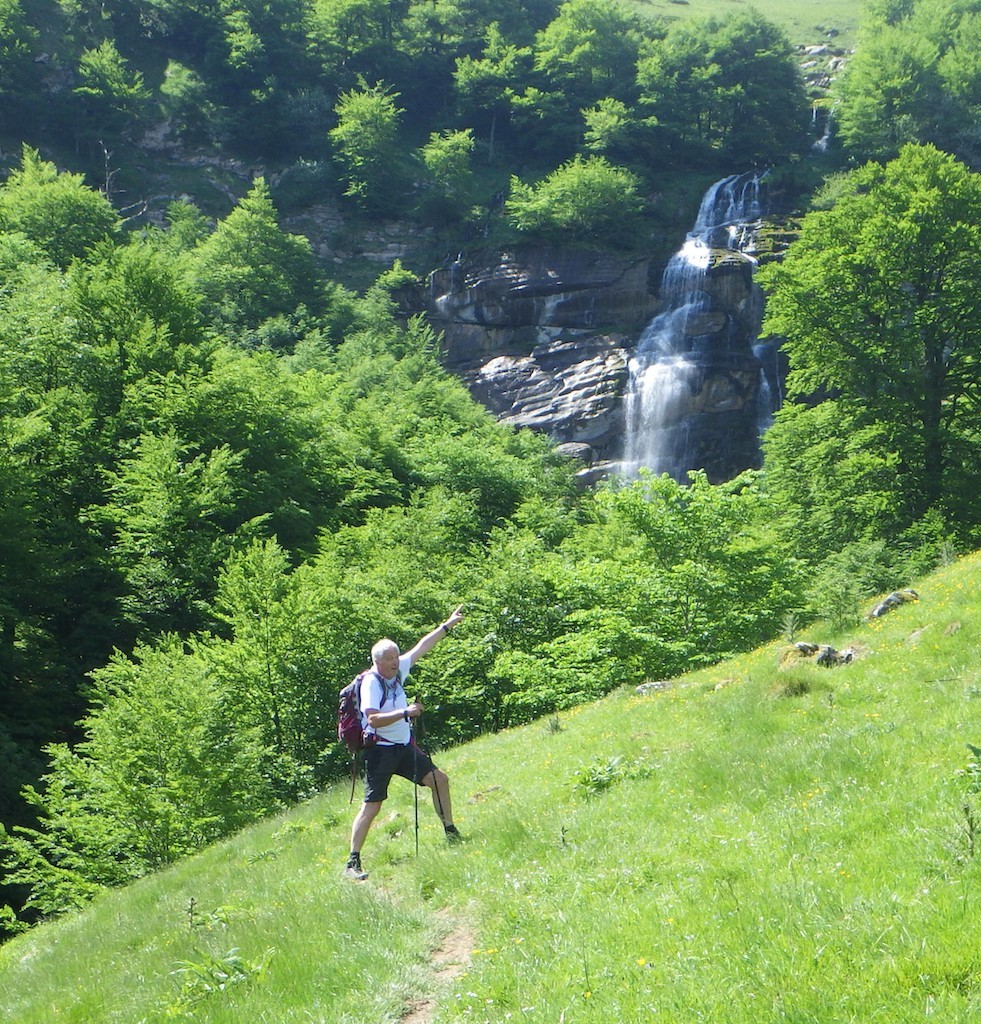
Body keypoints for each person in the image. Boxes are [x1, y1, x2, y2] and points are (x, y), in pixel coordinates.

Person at [345, 605, 465, 880]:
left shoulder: (398, 671)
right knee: (372, 807)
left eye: (397, 657)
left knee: (439, 780)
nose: (395, 662)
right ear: (377, 662)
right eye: (389, 659)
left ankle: (450, 831)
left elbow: (423, 646)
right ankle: (352, 862)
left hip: (404, 747)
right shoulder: (371, 684)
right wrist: (404, 712)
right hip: (380, 753)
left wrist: (448, 625)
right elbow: (373, 720)